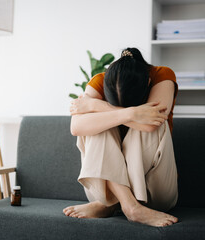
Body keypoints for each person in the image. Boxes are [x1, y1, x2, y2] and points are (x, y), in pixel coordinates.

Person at [63, 48, 179, 227]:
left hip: (154, 191)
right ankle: (127, 205)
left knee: (156, 119)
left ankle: (123, 205)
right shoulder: (100, 81)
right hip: (105, 192)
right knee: (96, 126)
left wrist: (96, 105)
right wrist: (131, 114)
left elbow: (150, 124)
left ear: (147, 82)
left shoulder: (161, 76)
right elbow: (76, 127)